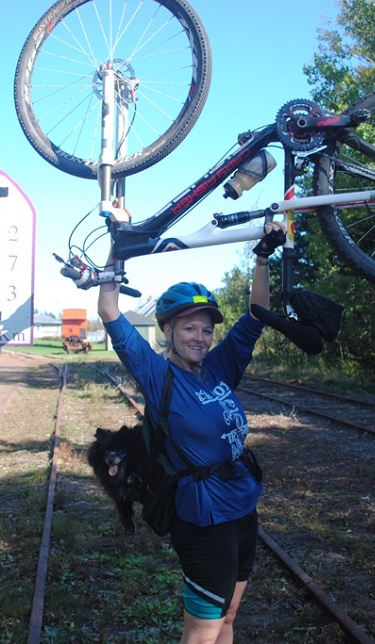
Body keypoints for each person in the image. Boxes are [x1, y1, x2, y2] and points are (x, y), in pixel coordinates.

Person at [97, 222, 284, 644]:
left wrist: (262, 257)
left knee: (229, 616)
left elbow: (256, 315)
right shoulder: (157, 373)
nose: (200, 337)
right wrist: (118, 246)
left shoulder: (220, 367)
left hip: (241, 507)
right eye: (189, 328)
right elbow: (110, 310)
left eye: (206, 329)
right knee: (203, 629)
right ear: (168, 331)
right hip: (202, 517)